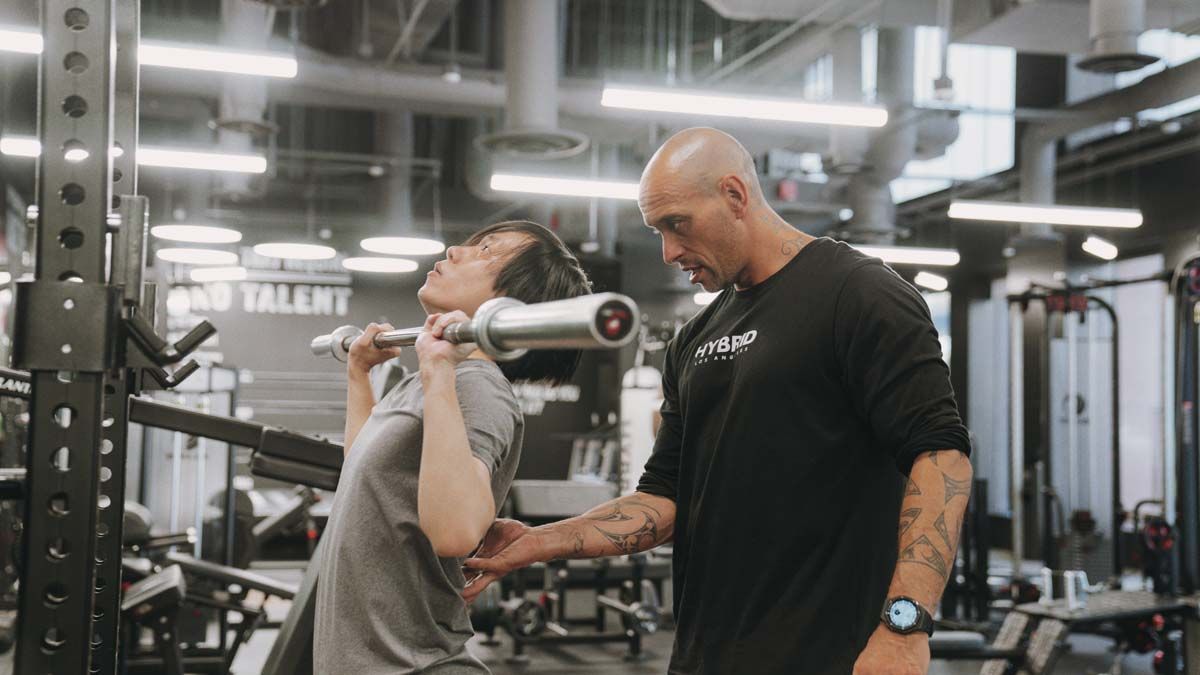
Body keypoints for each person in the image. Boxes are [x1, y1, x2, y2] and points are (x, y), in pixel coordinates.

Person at [463, 128, 973, 675]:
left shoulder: (859, 294)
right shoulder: (694, 338)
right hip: (703, 655)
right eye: (657, 231)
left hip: (829, 656)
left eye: (677, 223)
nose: (668, 251)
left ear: (734, 195)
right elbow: (663, 499)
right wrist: (538, 541)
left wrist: (904, 627)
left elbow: (941, 456)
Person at [313, 220, 593, 673]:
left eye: (487, 250)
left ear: (510, 303)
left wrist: (440, 370)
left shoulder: (478, 386)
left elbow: (455, 533)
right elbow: (365, 482)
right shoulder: (428, 379)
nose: (455, 250)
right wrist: (359, 374)